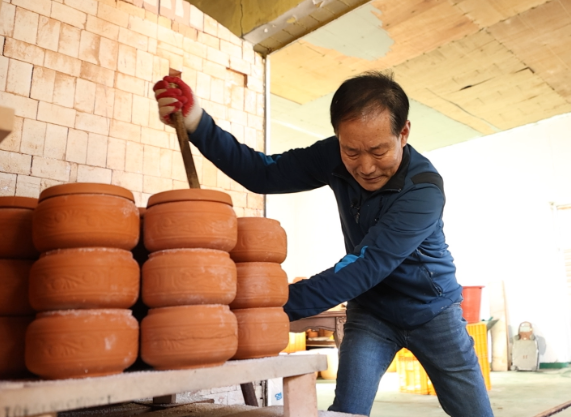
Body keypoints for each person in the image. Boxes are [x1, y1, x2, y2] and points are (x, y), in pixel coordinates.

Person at [153, 72, 494, 417]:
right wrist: (196, 120)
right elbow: (263, 173)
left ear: (403, 132)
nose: (365, 166)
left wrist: (266, 306)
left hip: (433, 313)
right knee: (346, 412)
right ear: (338, 137)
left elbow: (365, 266)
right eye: (351, 150)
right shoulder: (333, 156)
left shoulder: (424, 190)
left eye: (379, 150)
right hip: (372, 314)